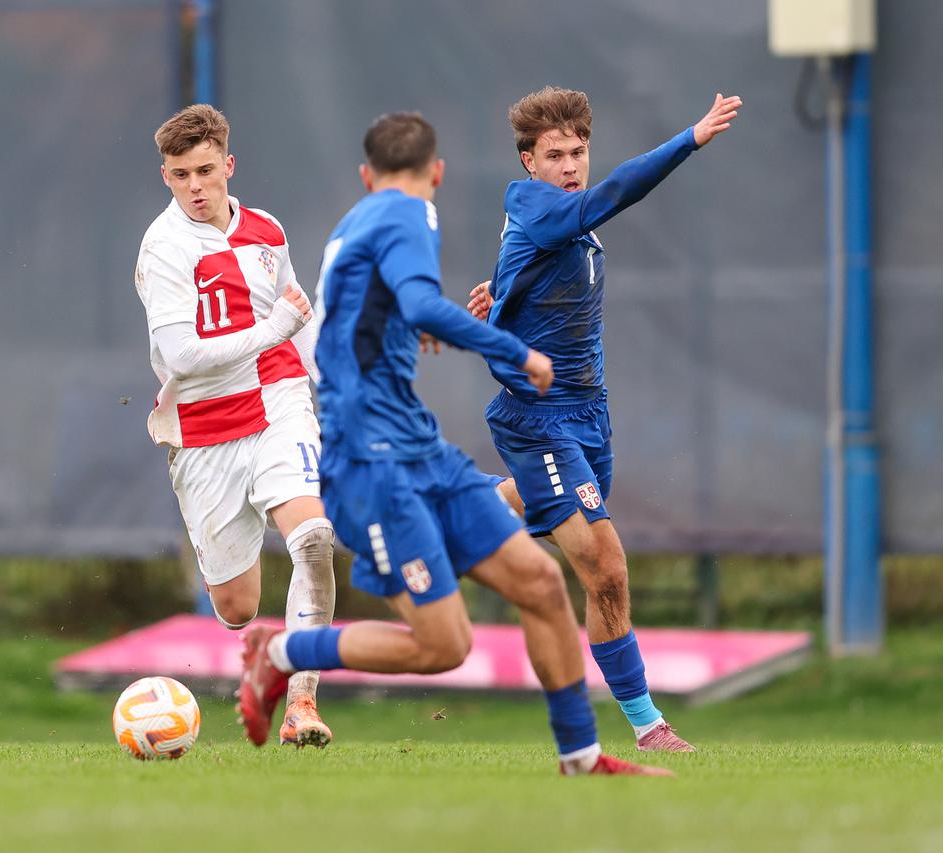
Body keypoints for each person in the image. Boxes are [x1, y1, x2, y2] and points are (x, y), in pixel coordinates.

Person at [236, 112, 671, 777]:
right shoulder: (412, 216)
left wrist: (427, 324)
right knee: (445, 646)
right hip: (370, 463)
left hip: (419, 446)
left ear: (365, 176)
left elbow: (369, 315)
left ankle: (582, 757)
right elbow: (414, 300)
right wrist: (510, 348)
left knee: (541, 582)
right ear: (437, 173)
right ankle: (282, 654)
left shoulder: (357, 223)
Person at [466, 86, 744, 752]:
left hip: (590, 413)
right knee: (607, 568)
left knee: (579, 548)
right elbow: (615, 193)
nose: (570, 164)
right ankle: (649, 726)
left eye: (580, 151)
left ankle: (450, 511)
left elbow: (533, 270)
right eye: (555, 154)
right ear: (528, 161)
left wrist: (498, 295)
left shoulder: (561, 217)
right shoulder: (534, 201)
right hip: (539, 418)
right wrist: (690, 138)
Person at [133, 104, 336, 748]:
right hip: (203, 425)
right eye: (179, 175)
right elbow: (183, 357)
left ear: (229, 165)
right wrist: (274, 329)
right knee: (237, 608)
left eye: (205, 170)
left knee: (311, 536)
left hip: (279, 399)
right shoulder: (163, 247)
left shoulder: (267, 231)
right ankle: (257, 650)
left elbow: (299, 317)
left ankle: (301, 703)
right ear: (165, 176)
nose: (195, 186)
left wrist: (333, 379)